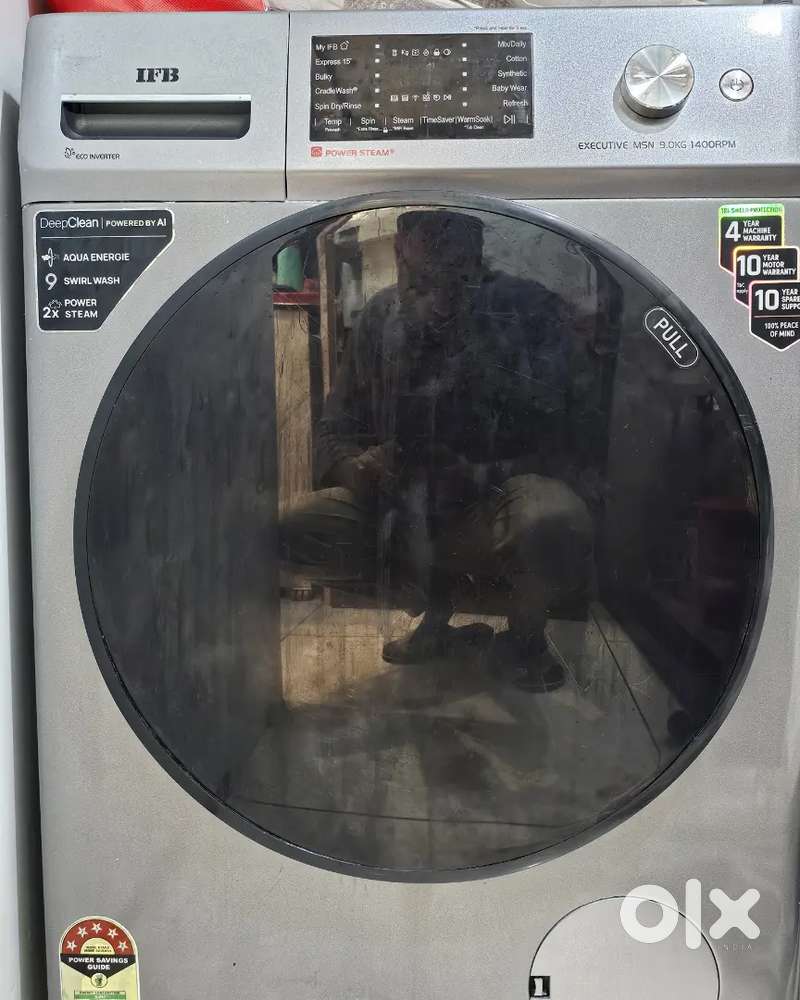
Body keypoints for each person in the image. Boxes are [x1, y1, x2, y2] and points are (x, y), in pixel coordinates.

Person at [280, 209, 593, 691]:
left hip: (493, 505)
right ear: (400, 257)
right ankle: (435, 617)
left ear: (477, 260)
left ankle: (526, 636)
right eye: (418, 278)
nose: (434, 295)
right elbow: (332, 431)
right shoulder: (380, 317)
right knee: (290, 530)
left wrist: (477, 470)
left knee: (552, 518)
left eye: (452, 277)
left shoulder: (525, 309)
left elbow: (570, 439)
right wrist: (354, 468)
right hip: (399, 508)